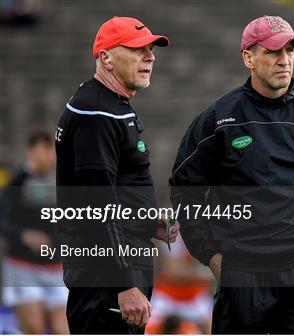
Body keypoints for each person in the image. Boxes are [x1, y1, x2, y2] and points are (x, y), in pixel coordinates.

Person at [169, 15, 294, 334]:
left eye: (290, 51)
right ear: (249, 58)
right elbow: (185, 190)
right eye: (272, 52)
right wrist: (213, 257)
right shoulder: (219, 117)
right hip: (243, 272)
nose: (284, 60)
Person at [55, 16, 178, 334]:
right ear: (105, 57)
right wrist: (123, 284)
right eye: (138, 49)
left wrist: (146, 220)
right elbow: (98, 204)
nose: (150, 56)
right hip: (105, 278)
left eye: (151, 49)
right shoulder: (97, 113)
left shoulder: (107, 103)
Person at [0, 128, 68, 334]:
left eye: (50, 151)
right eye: (41, 151)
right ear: (30, 152)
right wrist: (23, 234)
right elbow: (2, 218)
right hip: (24, 268)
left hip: (56, 268)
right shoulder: (19, 182)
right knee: (34, 329)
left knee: (63, 330)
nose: (47, 156)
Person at [146, 239, 213, 334]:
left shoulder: (207, 235)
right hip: (166, 296)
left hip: (194, 296)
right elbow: (172, 272)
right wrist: (204, 273)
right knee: (146, 328)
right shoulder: (173, 235)